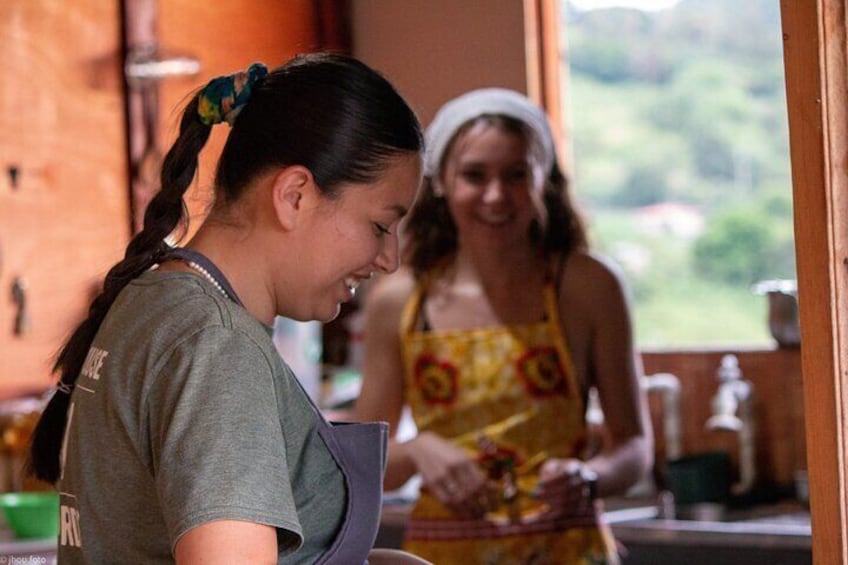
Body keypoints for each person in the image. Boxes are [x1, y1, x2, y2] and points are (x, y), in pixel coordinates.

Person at [27, 53, 427, 564]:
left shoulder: (153, 301)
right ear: (295, 196)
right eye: (379, 226)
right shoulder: (219, 345)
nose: (390, 259)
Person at [354, 88, 654, 564]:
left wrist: (589, 477)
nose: (496, 195)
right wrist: (416, 451)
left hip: (568, 550)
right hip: (444, 555)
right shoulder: (400, 300)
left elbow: (634, 446)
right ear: (440, 182)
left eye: (516, 174)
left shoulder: (588, 286)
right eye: (474, 175)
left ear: (543, 182)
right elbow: (364, 466)